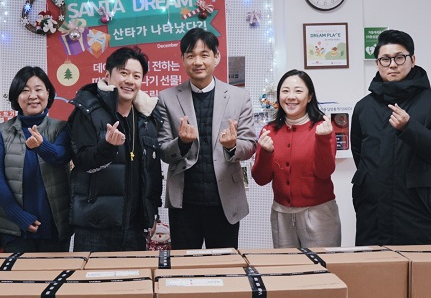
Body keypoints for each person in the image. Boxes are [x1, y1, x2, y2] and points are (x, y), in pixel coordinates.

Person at [351, 29, 431, 245]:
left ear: (412, 60)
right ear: (377, 63)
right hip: (373, 215)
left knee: (424, 266)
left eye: (399, 57)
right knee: (375, 265)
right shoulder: (364, 107)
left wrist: (409, 128)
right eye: (385, 59)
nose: (392, 65)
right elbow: (359, 155)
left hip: (419, 213)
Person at [156, 27, 256, 249]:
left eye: (204, 54)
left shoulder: (239, 97)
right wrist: (182, 143)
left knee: (224, 265)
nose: (198, 62)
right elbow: (162, 150)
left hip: (225, 201)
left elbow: (250, 145)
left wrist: (232, 146)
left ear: (216, 57)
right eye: (191, 55)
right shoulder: (166, 98)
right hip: (184, 203)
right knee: (184, 266)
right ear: (183, 59)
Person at [67, 46, 162, 252]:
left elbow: (151, 171)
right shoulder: (87, 111)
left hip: (135, 228)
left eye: (136, 76)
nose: (130, 81)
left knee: (135, 274)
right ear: (107, 75)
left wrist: (151, 214)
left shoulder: (146, 118)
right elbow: (82, 161)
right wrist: (107, 147)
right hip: (94, 227)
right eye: (124, 73)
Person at [0, 66, 72, 253]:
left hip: (55, 227)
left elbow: (61, 156)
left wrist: (41, 145)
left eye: (38, 89)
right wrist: (17, 215)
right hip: (15, 229)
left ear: (48, 93)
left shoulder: (62, 128)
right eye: (25, 90)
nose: (33, 96)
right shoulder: (0, 133)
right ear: (16, 97)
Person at [251, 69, 341, 248]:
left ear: (309, 97)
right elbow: (260, 179)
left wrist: (323, 140)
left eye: (298, 91)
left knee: (321, 264)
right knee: (287, 265)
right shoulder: (269, 131)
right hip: (281, 214)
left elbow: (324, 172)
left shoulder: (322, 129)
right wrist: (266, 153)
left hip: (319, 213)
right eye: (285, 91)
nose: (291, 96)